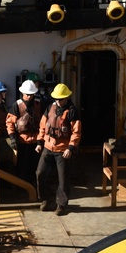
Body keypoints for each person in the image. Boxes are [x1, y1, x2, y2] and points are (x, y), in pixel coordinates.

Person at [35, 83, 81, 215]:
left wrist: (70, 148)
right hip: (48, 147)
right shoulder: (49, 108)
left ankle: (61, 205)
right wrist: (39, 142)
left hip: (63, 150)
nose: (58, 101)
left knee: (63, 178)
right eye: (56, 99)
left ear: (66, 98)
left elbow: (76, 132)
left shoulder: (72, 111)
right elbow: (42, 126)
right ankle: (45, 200)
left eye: (60, 99)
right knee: (40, 173)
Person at [6, 79, 44, 188]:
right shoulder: (16, 106)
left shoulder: (39, 105)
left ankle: (35, 186)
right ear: (23, 93)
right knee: (22, 166)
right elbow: (10, 123)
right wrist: (13, 138)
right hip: (22, 142)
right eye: (28, 94)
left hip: (36, 142)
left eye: (32, 94)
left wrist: (40, 141)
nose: (30, 97)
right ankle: (21, 186)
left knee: (36, 166)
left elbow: (43, 123)